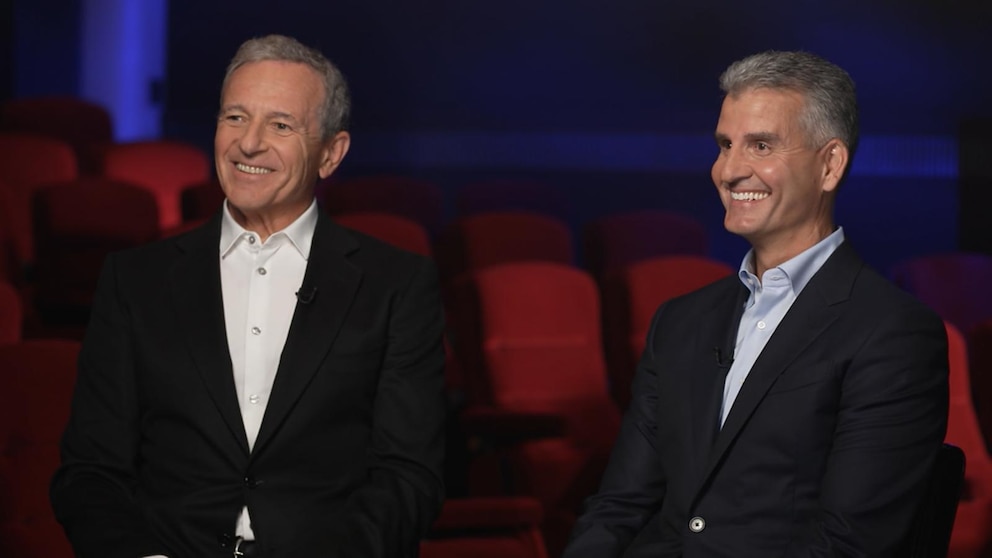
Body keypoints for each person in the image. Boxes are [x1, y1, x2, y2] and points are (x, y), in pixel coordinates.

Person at [50, 34, 446, 558]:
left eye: (280, 125)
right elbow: (90, 472)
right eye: (235, 117)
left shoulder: (396, 285)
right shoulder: (135, 281)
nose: (249, 144)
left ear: (331, 154)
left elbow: (409, 477)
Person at [563, 50, 949, 557]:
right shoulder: (679, 322)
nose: (729, 170)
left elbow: (847, 545)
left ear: (830, 165)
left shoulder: (893, 333)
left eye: (761, 145)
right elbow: (619, 507)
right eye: (725, 145)